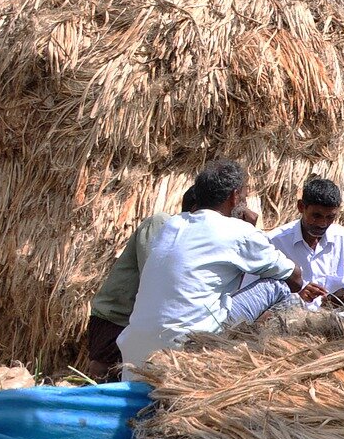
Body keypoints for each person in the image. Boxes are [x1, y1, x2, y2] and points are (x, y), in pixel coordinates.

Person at [117, 160, 305, 377]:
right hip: (189, 344)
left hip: (136, 350)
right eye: (244, 196)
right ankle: (274, 368)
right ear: (234, 197)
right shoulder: (238, 232)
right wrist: (251, 230)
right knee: (277, 286)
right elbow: (296, 279)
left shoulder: (171, 225)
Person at [82, 184, 198, 380]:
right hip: (116, 318)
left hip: (136, 323)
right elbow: (154, 276)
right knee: (106, 379)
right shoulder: (161, 223)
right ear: (196, 210)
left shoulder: (187, 240)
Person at [268, 178, 344, 308]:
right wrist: (296, 296)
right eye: (316, 216)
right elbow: (259, 295)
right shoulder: (274, 242)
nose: (322, 223)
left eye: (330, 217)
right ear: (301, 207)